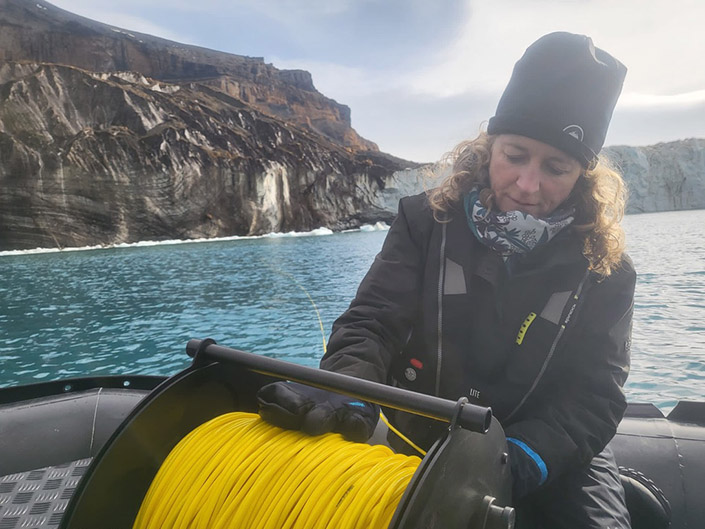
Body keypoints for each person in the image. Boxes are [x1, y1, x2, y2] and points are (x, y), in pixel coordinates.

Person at [258, 31, 635, 528]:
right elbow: (373, 323)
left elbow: (595, 395)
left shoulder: (605, 269)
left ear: (582, 177)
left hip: (546, 454)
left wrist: (513, 459)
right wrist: (349, 385)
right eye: (515, 155)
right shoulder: (423, 222)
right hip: (420, 433)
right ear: (488, 148)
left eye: (556, 167)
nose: (527, 185)